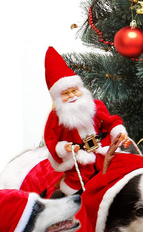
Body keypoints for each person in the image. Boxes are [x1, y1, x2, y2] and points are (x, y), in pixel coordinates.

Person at [44, 47, 131, 195]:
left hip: (104, 151)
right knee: (77, 183)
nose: (72, 96)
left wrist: (119, 133)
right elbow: (51, 139)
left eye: (74, 90)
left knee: (118, 173)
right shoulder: (56, 117)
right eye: (66, 93)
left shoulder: (95, 105)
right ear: (58, 97)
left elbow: (111, 122)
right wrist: (65, 148)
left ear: (80, 89)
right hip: (80, 159)